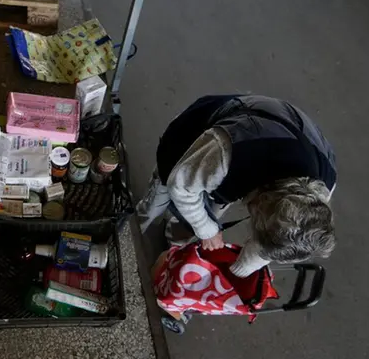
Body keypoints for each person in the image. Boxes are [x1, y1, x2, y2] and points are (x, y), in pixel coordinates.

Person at [138, 94, 337, 277]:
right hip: (205, 131)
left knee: (209, 212)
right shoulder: (232, 149)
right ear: (259, 202)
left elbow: (284, 237)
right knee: (160, 196)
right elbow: (180, 186)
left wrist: (245, 266)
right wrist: (206, 229)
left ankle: (175, 245)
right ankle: (135, 225)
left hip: (285, 139)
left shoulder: (321, 190)